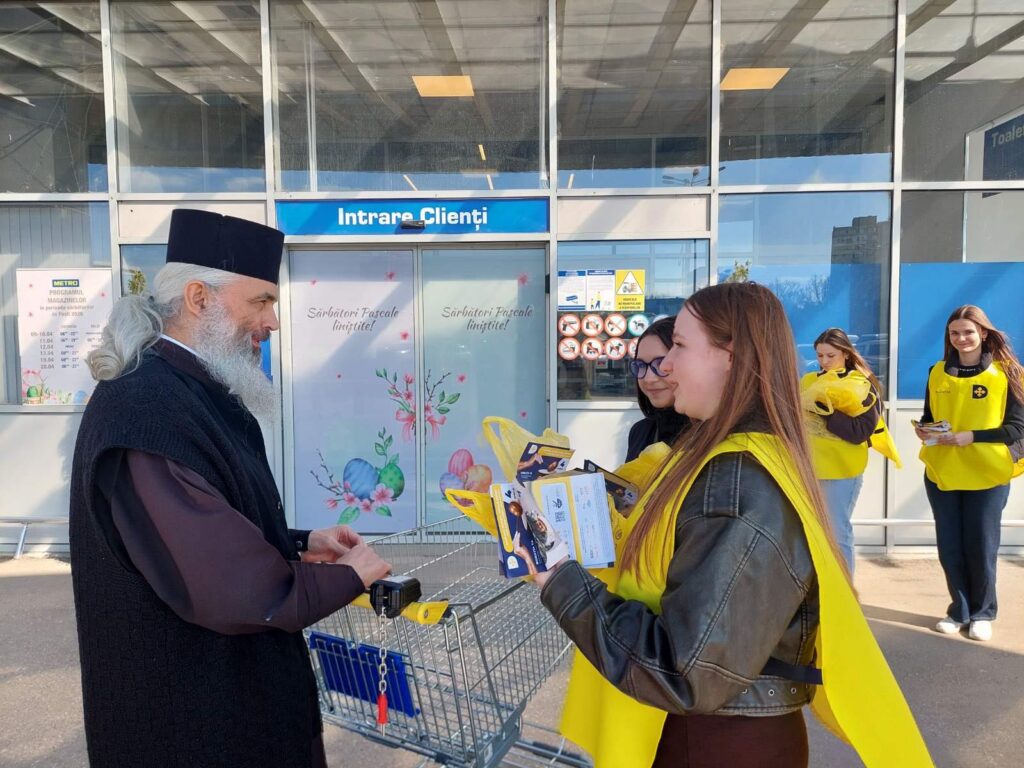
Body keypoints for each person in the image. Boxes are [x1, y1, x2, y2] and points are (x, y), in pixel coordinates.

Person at [528, 283, 931, 768]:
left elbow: (686, 670)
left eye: (679, 345)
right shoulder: (735, 456)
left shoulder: (738, 477)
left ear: (731, 357)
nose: (665, 366)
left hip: (716, 742)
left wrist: (558, 577)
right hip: (720, 734)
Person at [70, 209, 391, 768]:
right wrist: (350, 575)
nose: (273, 321)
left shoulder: (185, 388)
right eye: (261, 301)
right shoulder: (146, 410)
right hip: (190, 726)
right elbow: (234, 588)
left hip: (225, 708)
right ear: (199, 298)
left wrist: (298, 543)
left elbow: (204, 519)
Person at [916, 305, 1024, 642]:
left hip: (987, 473)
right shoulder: (937, 372)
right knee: (950, 546)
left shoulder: (1007, 373)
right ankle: (958, 611)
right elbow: (930, 415)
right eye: (955, 333)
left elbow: (1018, 428)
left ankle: (983, 612)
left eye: (968, 332)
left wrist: (973, 436)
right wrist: (925, 430)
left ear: (984, 334)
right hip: (943, 471)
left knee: (981, 545)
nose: (961, 338)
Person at [800, 328, 900, 573]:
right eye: (820, 355)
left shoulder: (861, 384)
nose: (824, 361)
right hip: (808, 469)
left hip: (841, 471)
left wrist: (825, 411)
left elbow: (860, 432)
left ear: (846, 354)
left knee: (837, 533)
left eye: (830, 355)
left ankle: (845, 587)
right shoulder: (808, 381)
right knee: (811, 533)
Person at [625, 317, 689, 461]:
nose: (649, 379)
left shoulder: (713, 436)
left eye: (661, 363)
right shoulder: (641, 432)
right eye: (640, 365)